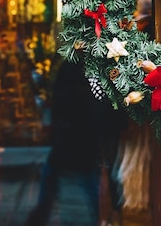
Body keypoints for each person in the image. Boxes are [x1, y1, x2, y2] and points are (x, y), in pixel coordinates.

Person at [23, 60, 127, 226]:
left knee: (58, 196)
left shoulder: (81, 68)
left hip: (77, 144)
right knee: (83, 198)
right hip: (82, 145)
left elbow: (62, 100)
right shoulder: (86, 68)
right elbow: (103, 112)